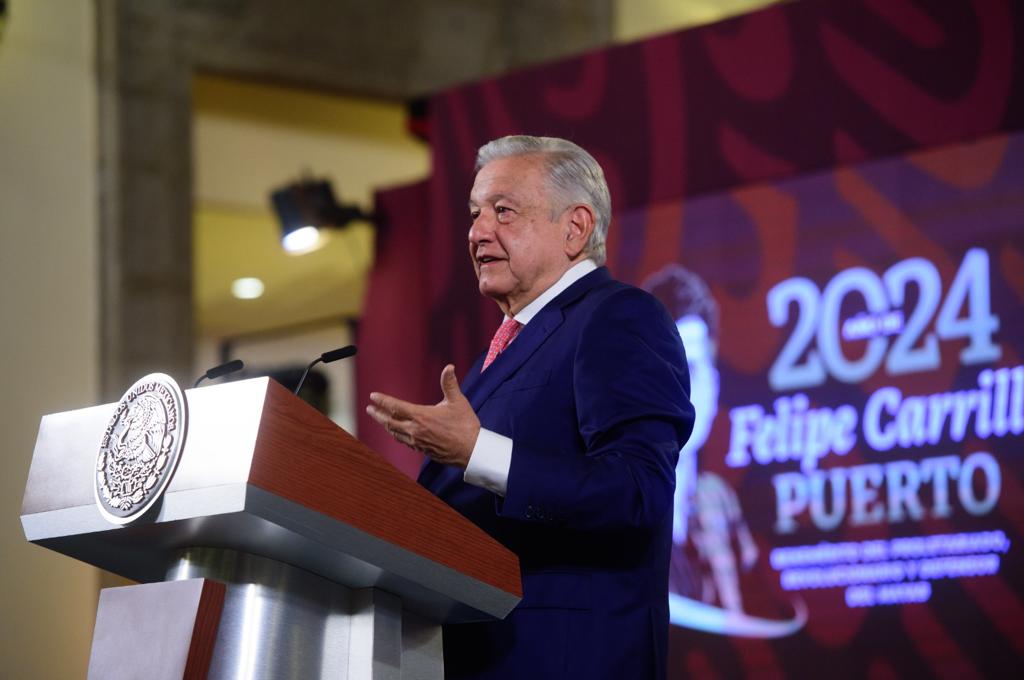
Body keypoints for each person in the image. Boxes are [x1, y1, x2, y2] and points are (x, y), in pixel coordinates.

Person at [367, 136, 694, 679]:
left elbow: (638, 490)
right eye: (474, 214)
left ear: (575, 228)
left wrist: (479, 453)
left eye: (504, 211)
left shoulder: (619, 318)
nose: (477, 232)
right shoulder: (502, 349)